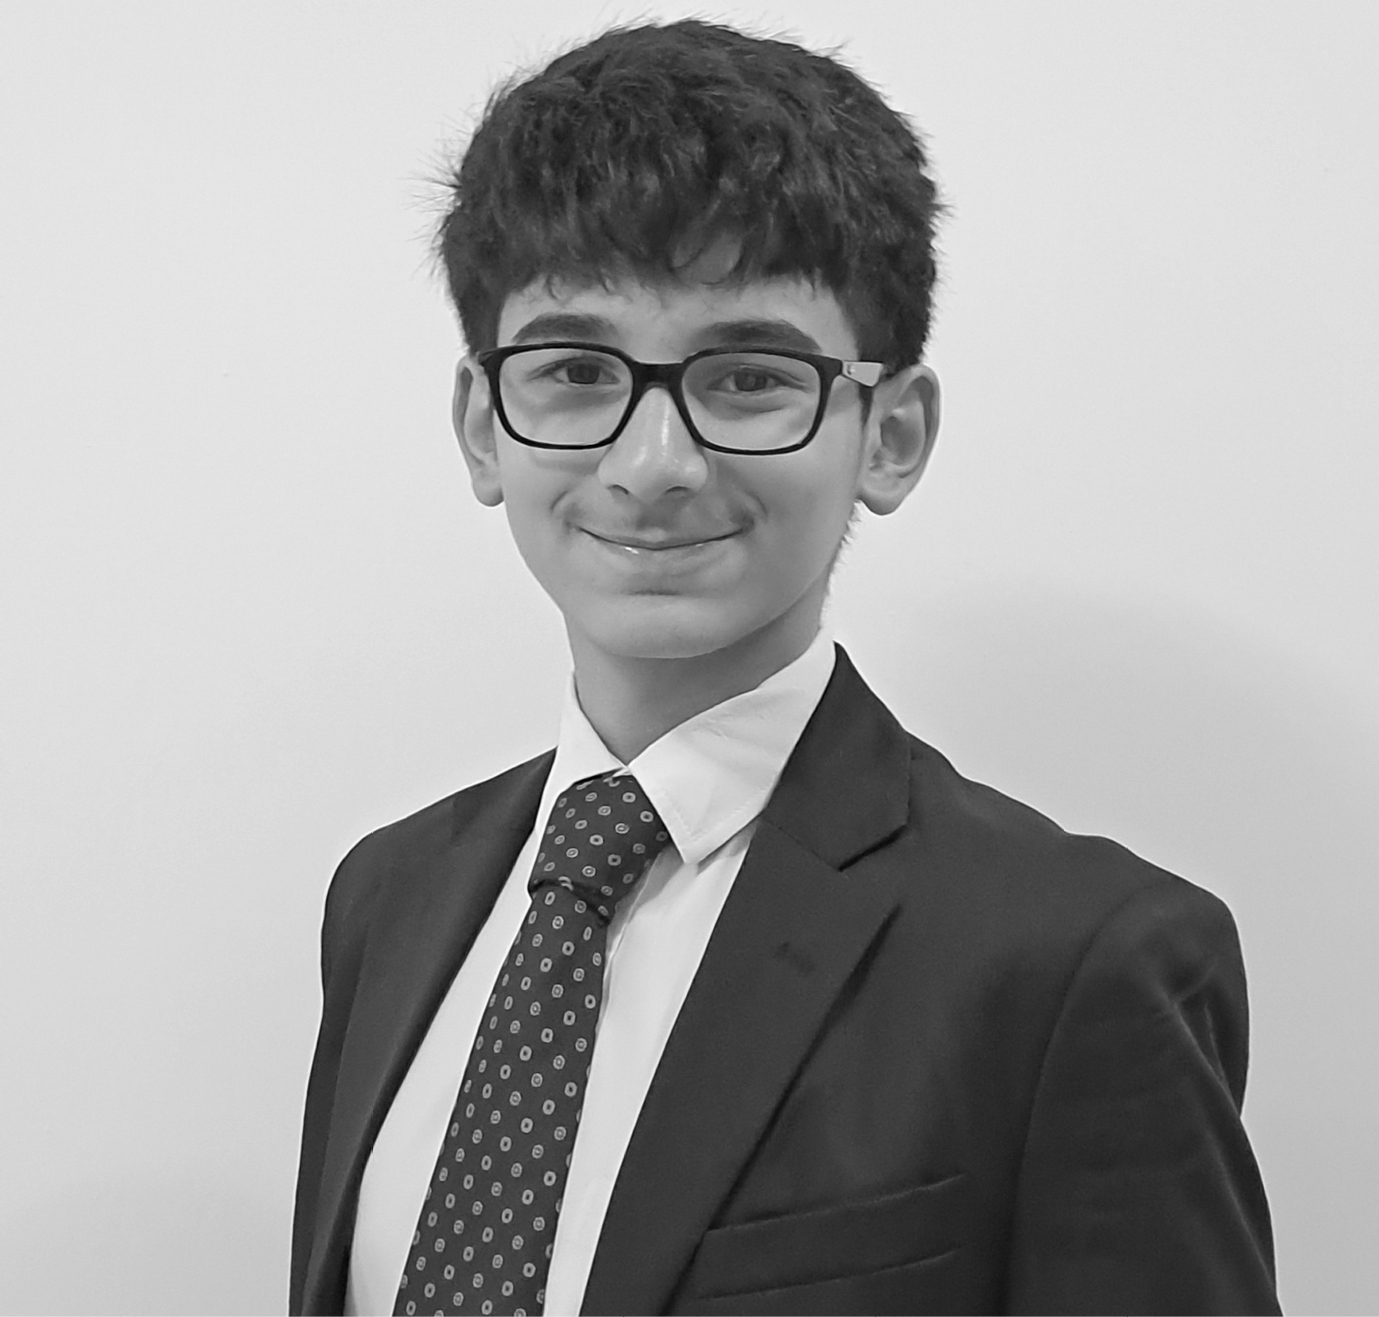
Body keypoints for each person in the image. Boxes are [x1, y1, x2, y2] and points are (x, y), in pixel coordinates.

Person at [290, 19, 1279, 1316]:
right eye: (576, 370)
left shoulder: (1072, 965)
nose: (652, 466)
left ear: (892, 435)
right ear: (485, 425)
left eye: (749, 377)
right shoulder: (390, 897)